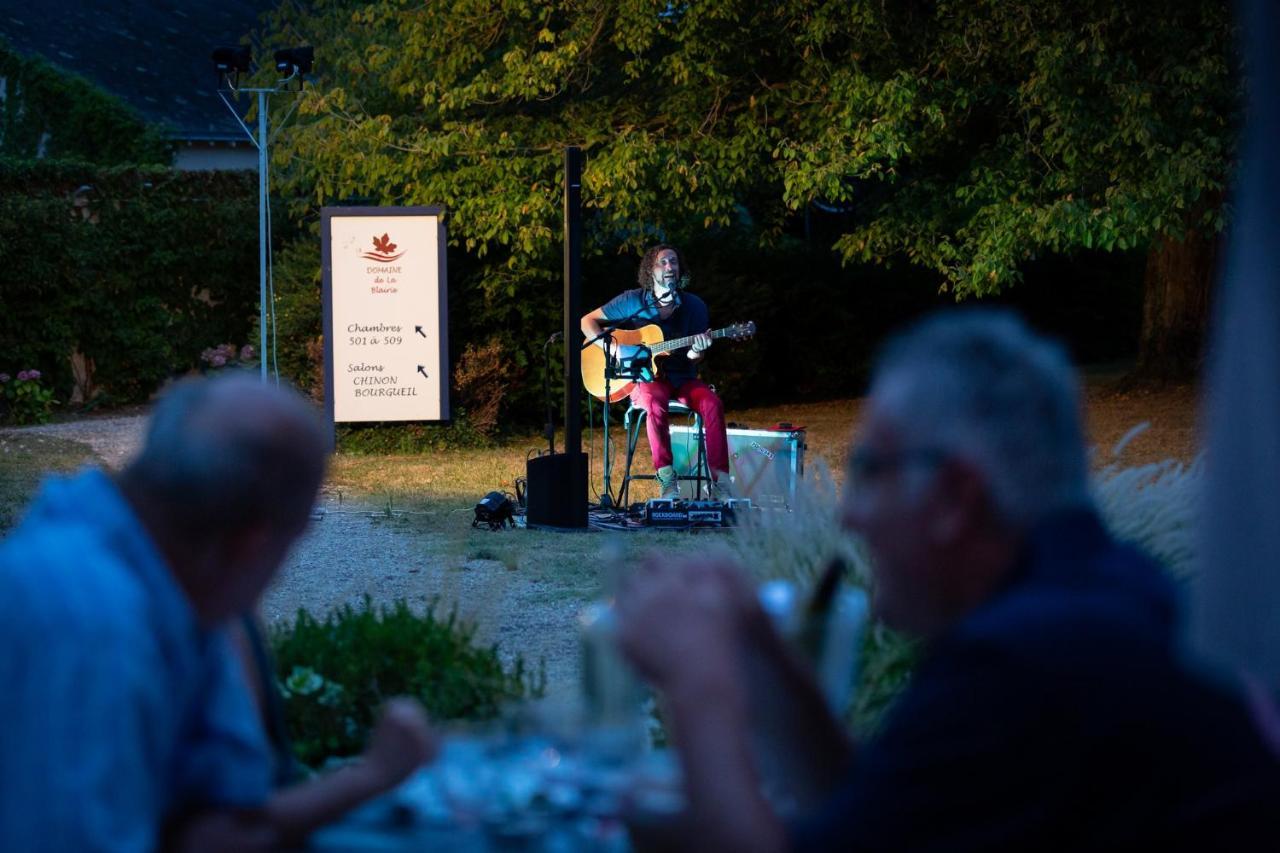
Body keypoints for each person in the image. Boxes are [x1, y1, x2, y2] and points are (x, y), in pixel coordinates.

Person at [615, 309, 1280, 852]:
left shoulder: (1025, 659)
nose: (849, 511)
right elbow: (875, 821)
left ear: (957, 495)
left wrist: (695, 682)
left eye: (870, 470)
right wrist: (761, 651)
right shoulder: (1100, 597)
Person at [0, 375, 436, 852]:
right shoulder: (83, 622)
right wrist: (373, 775)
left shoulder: (173, 585)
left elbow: (220, 824)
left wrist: (370, 777)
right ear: (253, 544)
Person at [581, 244, 732, 499]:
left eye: (673, 262)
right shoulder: (633, 301)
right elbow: (587, 322)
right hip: (647, 379)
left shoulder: (694, 306)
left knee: (712, 403)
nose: (669, 267)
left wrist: (696, 351)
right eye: (663, 263)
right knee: (654, 401)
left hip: (683, 377)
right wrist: (614, 351)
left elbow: (695, 358)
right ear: (650, 270)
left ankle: (721, 484)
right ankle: (667, 480)